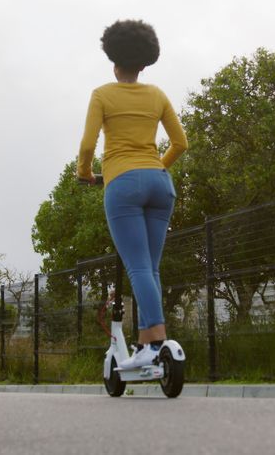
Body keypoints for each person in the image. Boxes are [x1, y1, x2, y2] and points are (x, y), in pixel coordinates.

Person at [77, 19, 189, 370]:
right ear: (144, 63)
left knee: (139, 267)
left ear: (113, 59)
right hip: (160, 182)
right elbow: (181, 143)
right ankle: (145, 345)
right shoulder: (156, 95)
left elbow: (87, 145)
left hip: (122, 183)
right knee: (150, 269)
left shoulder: (102, 95)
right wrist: (157, 164)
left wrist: (86, 174)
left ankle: (155, 344)